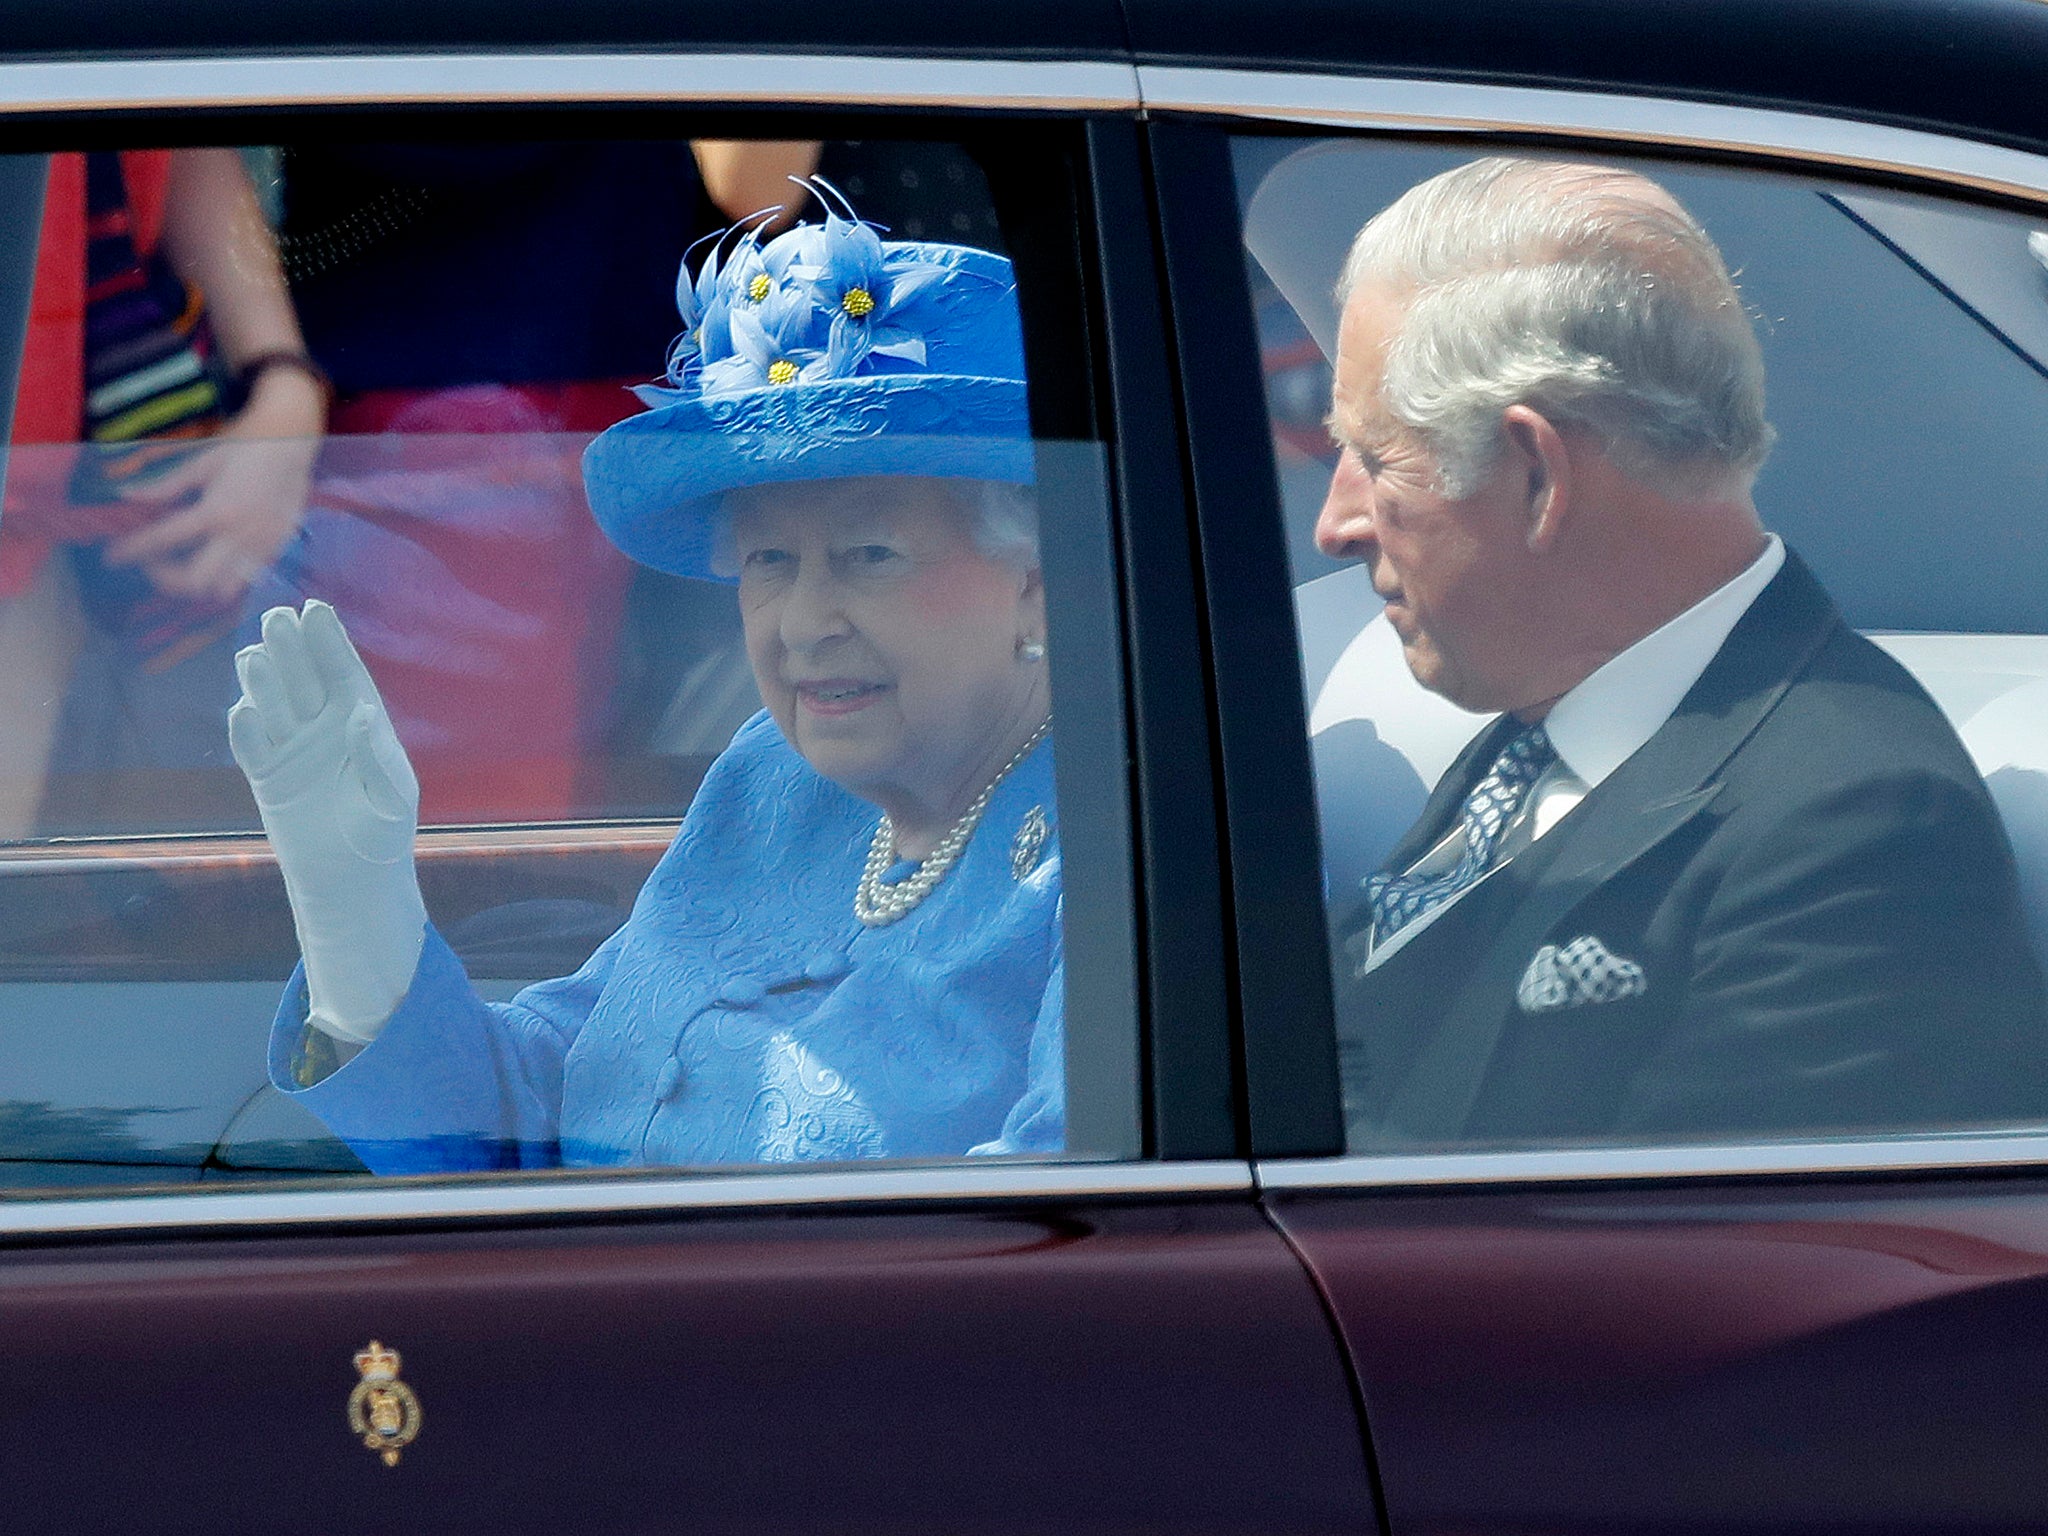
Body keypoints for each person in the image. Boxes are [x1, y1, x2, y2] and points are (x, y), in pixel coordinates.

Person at [229, 194, 1064, 1173]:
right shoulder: (774, 781)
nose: (800, 625)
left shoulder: (1117, 851)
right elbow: (536, 1113)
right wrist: (356, 920)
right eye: (767, 562)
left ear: (1037, 585)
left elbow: (1057, 1264)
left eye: (868, 554)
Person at [1318, 157, 2048, 1146]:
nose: (1336, 524)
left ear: (1536, 474)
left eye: (1376, 459)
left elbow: (1700, 1279)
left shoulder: (1851, 831)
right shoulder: (1547, 729)